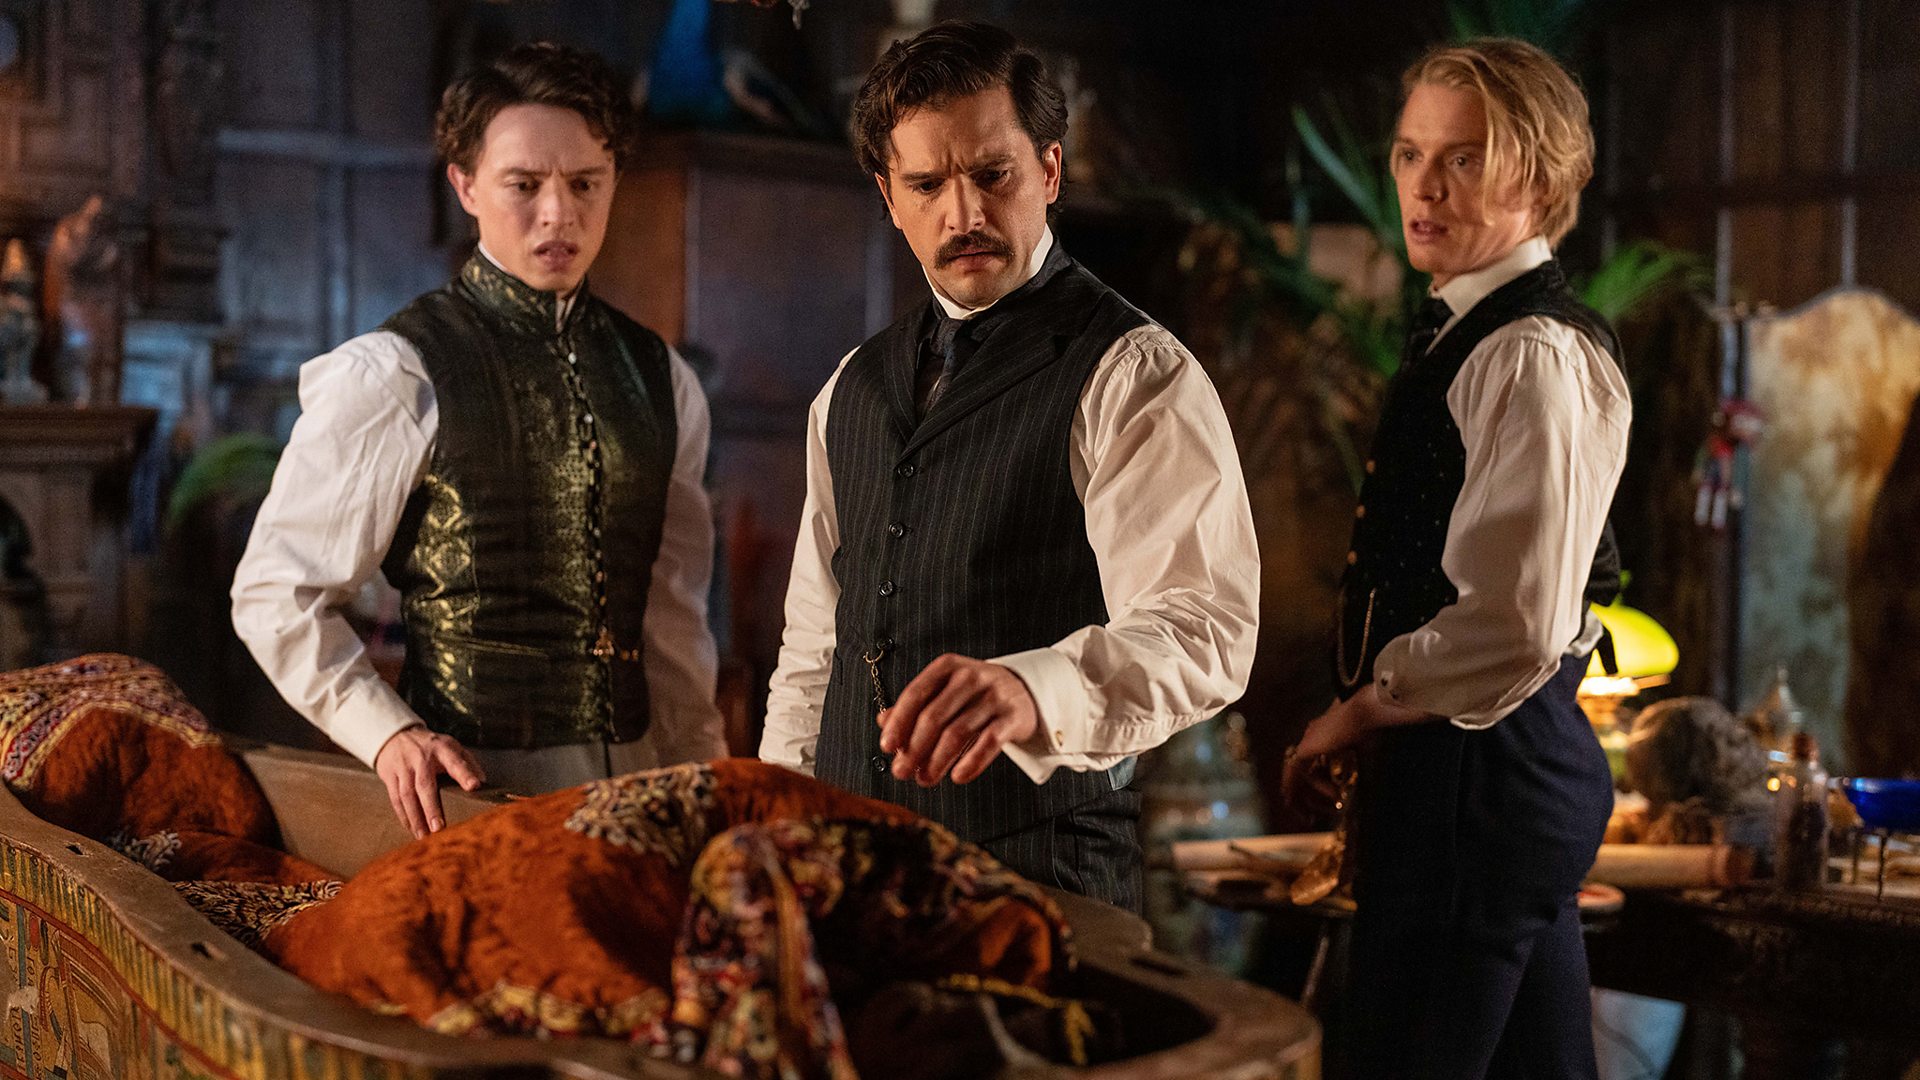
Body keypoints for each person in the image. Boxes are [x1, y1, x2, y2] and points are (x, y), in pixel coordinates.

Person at [758, 21, 1259, 912]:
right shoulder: (850, 388)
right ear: (889, 196)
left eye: (994, 175)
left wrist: (1037, 689)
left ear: (1049, 172)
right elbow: (815, 646)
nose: (965, 216)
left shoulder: (1134, 372)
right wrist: (774, 818)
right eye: (927, 185)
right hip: (848, 869)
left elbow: (1203, 628)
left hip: (1042, 878)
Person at [233, 42, 725, 839]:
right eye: (524, 185)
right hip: (472, 792)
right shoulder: (396, 372)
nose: (558, 214)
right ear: (465, 184)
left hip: (640, 786)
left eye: (585, 183)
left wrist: (705, 779)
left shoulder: (661, 377)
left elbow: (674, 620)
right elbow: (274, 592)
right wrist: (386, 733)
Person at [1282, 38, 1631, 1080]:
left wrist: (1360, 711)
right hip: (1472, 792)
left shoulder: (1529, 350)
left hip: (1481, 792)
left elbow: (1514, 622)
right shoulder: (1469, 331)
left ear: (1542, 178)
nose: (1423, 186)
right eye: (1409, 154)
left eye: (1464, 158)